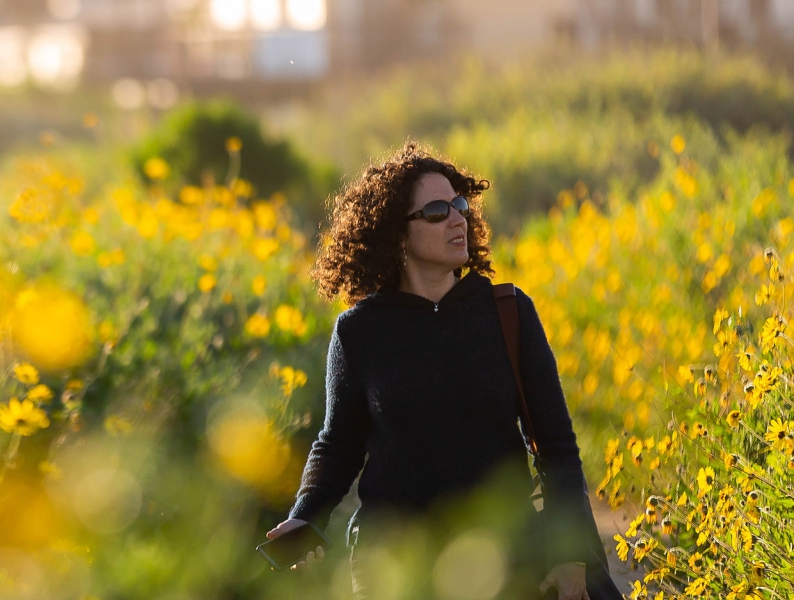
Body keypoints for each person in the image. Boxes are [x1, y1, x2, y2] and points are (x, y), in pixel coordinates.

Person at [263, 143, 617, 600]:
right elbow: (337, 446)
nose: (457, 218)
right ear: (396, 234)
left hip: (503, 556)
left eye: (460, 204)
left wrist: (573, 556)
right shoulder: (360, 331)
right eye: (435, 211)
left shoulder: (507, 313)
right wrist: (306, 515)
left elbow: (556, 446)